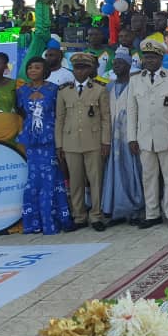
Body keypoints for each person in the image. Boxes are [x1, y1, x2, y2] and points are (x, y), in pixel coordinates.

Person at [128, 40, 168, 229]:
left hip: (167, 137)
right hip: (144, 137)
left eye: (153, 57)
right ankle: (152, 214)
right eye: (146, 57)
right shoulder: (135, 80)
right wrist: (132, 138)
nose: (149, 61)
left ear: (161, 58)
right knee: (148, 177)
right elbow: (132, 112)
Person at [14, 57, 73, 234]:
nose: (32, 70)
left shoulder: (54, 89)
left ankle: (52, 221)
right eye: (30, 67)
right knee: (34, 180)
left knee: (51, 179)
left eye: (37, 67)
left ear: (45, 70)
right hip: (31, 141)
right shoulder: (22, 90)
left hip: (50, 139)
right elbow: (21, 111)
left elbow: (60, 113)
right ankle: (34, 223)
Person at [55, 52, 111, 232]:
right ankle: (79, 216)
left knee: (96, 180)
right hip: (70, 142)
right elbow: (60, 119)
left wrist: (106, 142)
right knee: (75, 181)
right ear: (73, 70)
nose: (80, 71)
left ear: (90, 69)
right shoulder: (64, 90)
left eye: (84, 68)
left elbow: (105, 118)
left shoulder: (100, 89)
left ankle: (96, 215)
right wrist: (59, 144)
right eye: (77, 68)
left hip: (94, 141)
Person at [101, 51, 145, 226]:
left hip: (131, 137)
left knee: (132, 172)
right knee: (114, 173)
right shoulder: (108, 87)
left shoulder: (136, 84)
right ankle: (116, 212)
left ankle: (134, 211)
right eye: (114, 63)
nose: (116, 66)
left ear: (128, 65)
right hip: (112, 139)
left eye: (120, 63)